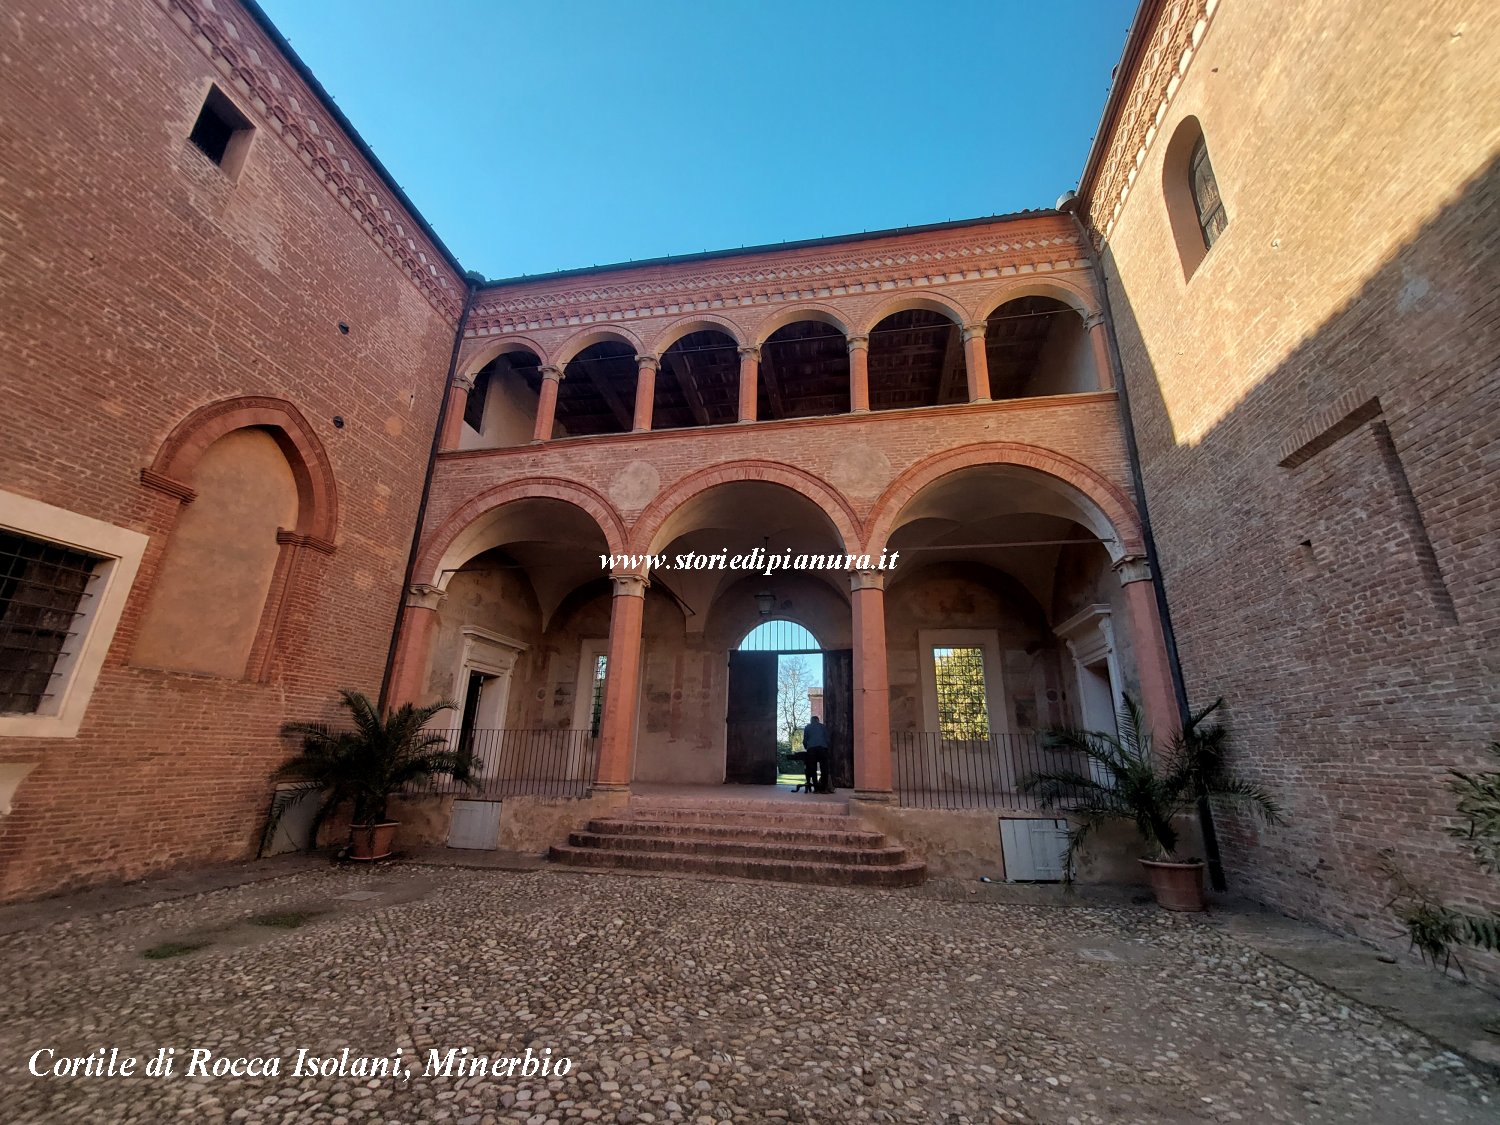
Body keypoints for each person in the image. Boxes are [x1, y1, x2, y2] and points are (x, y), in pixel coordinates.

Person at [802, 716, 831, 794]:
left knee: (812, 768)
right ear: (818, 720)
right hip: (822, 748)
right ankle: (824, 789)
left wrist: (807, 748)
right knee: (824, 768)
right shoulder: (823, 727)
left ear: (811, 721)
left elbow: (805, 740)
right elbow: (827, 739)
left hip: (811, 749)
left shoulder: (807, 727)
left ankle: (816, 788)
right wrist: (827, 748)